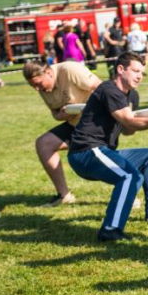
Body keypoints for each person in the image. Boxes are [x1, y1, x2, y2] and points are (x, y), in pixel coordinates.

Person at [67, 52, 148, 241]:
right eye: (135, 71)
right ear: (120, 69)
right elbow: (130, 121)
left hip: (104, 151)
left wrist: (142, 119)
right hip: (85, 152)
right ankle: (110, 230)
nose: (140, 76)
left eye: (142, 72)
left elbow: (127, 130)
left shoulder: (132, 95)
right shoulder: (108, 89)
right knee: (129, 177)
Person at [23, 59, 102, 206]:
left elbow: (103, 88)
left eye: (38, 84)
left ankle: (129, 192)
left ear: (48, 72)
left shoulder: (69, 70)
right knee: (44, 144)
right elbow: (55, 113)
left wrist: (91, 110)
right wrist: (62, 115)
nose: (37, 89)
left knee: (92, 158)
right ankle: (64, 195)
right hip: (75, 124)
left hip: (97, 123)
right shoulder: (43, 87)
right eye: (33, 86)